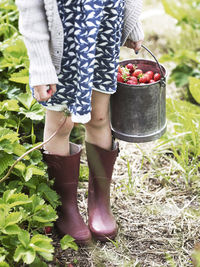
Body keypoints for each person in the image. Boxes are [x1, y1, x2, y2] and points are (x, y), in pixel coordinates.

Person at [16, 0, 144, 244]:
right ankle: (65, 208)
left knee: (99, 117)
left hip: (105, 28)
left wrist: (133, 23)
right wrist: (41, 64)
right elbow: (30, 7)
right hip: (63, 36)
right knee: (61, 123)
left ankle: (100, 203)